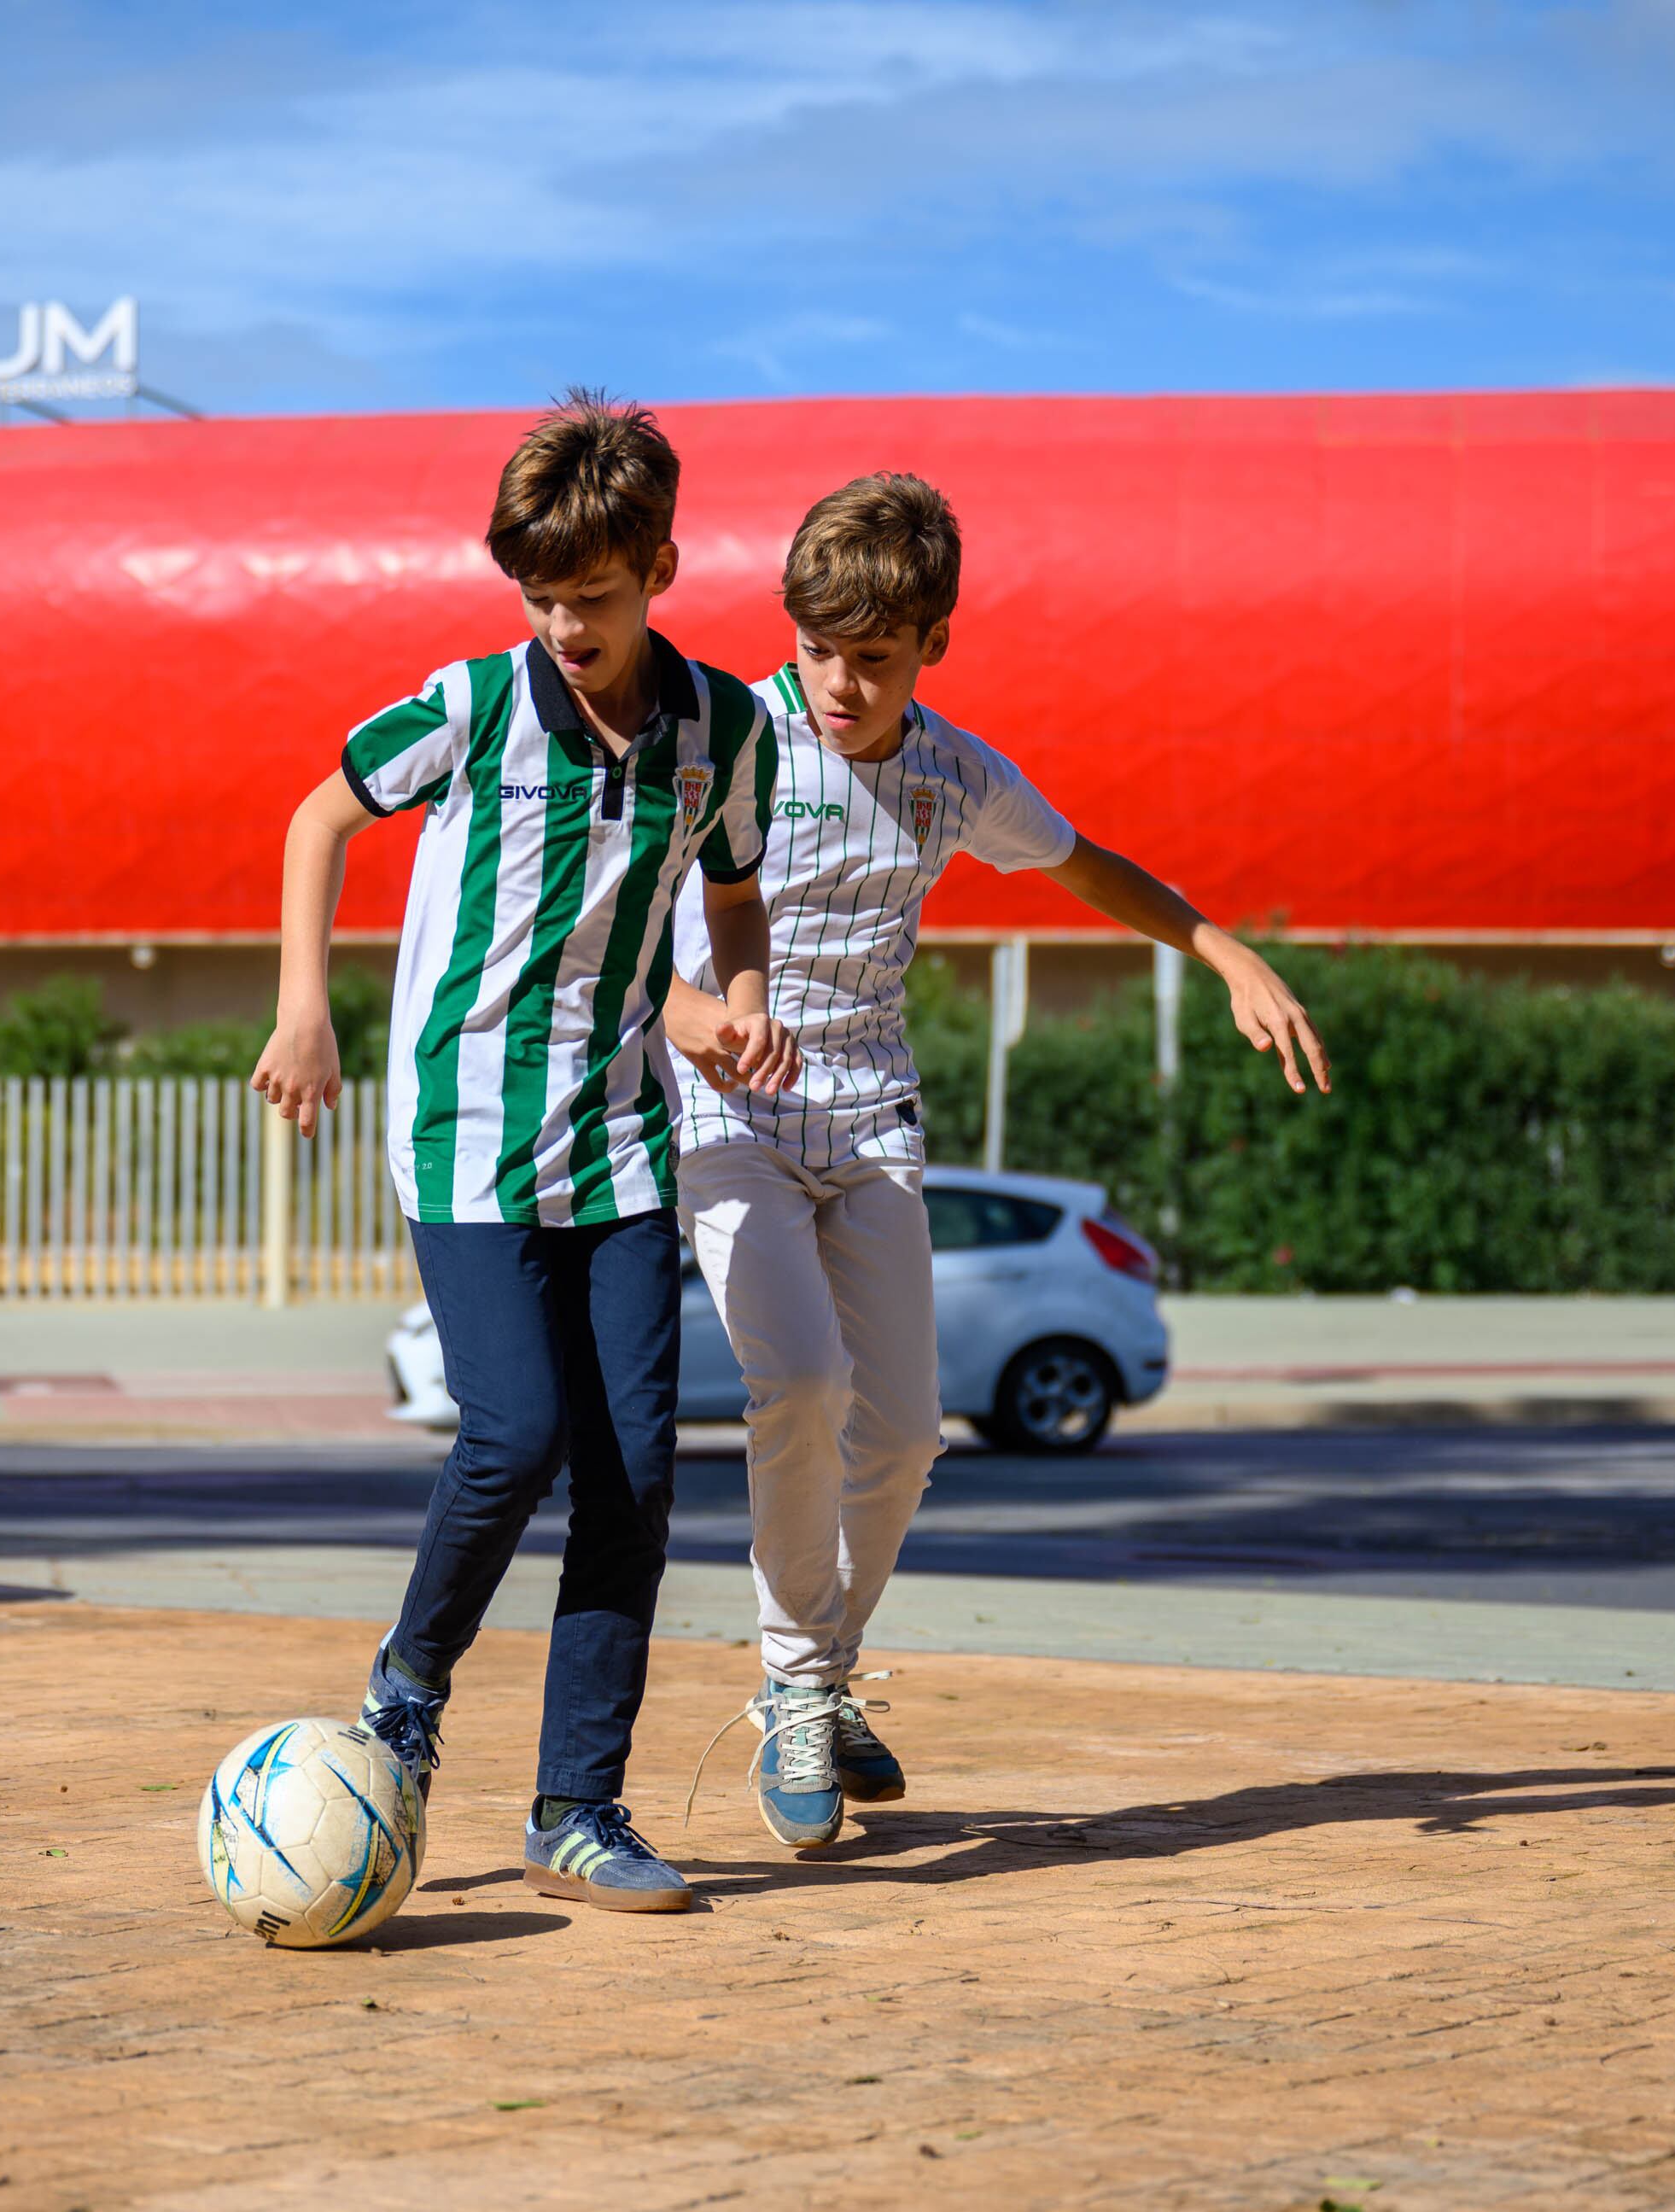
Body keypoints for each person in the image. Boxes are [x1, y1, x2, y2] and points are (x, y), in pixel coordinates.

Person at [663, 471, 1330, 1849]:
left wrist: (1221, 950)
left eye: (874, 658)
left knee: (907, 1433)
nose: (840, 685)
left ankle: (821, 1675)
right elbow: (609, 923)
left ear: (935, 644)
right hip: (730, 1116)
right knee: (802, 1384)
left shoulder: (955, 775)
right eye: (817, 651)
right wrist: (694, 1017)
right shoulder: (725, 740)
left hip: (871, 1120)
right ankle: (800, 1688)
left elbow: (1088, 866)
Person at [251, 392, 797, 1914]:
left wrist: (742, 997)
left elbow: (735, 891)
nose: (566, 625)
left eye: (595, 596)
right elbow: (316, 819)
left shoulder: (725, 728)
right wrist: (306, 1011)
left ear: (662, 570)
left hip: (623, 1141)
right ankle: (408, 1689)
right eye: (541, 597)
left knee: (635, 1474)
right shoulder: (473, 706)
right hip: (467, 1137)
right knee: (516, 1433)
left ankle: (581, 1806)